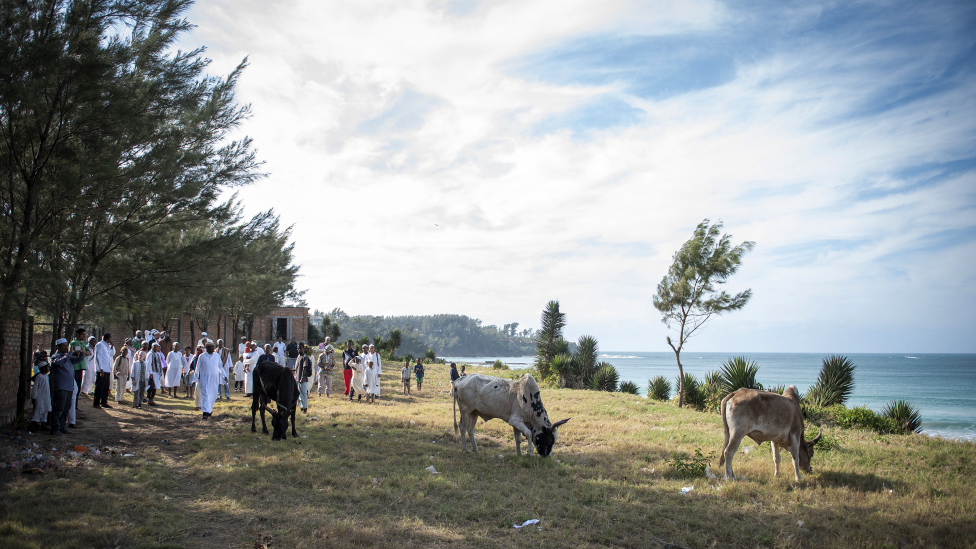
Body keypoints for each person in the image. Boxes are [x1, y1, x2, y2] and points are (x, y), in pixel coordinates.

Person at [50, 338, 84, 435]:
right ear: (58, 347)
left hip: (69, 387)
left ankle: (62, 427)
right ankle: (55, 428)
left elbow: (78, 360)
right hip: (61, 387)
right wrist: (69, 353)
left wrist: (81, 352)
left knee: (66, 408)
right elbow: (60, 363)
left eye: (66, 345)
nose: (66, 347)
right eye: (64, 346)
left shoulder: (68, 356)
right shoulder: (55, 357)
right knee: (58, 408)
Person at [68, 327, 92, 410]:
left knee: (78, 388)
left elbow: (89, 352)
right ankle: (71, 407)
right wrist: (81, 351)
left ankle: (76, 406)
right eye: (82, 334)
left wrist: (83, 352)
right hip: (75, 368)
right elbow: (74, 351)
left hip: (81, 368)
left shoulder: (82, 344)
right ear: (77, 334)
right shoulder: (73, 343)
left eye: (85, 335)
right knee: (73, 389)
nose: (84, 336)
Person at [196, 343, 222, 418]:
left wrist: (224, 375)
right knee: (205, 395)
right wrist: (195, 379)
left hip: (214, 379)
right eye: (211, 347)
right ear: (207, 348)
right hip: (204, 379)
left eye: (213, 347)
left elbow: (220, 367)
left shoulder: (216, 356)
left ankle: (209, 411)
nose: (213, 349)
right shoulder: (202, 356)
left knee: (212, 396)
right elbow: (197, 368)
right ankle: (205, 413)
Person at [93, 333, 114, 408]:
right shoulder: (100, 345)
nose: (111, 339)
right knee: (99, 386)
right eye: (111, 338)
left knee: (106, 386)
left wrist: (112, 346)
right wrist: (101, 368)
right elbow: (98, 357)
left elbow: (111, 354)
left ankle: (104, 401)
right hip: (101, 369)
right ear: (108, 338)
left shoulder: (107, 346)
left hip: (107, 369)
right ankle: (96, 403)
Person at [31, 360, 52, 431]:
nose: (48, 369)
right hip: (40, 397)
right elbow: (35, 388)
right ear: (43, 368)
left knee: (45, 410)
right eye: (47, 367)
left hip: (46, 396)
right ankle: (33, 424)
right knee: (39, 410)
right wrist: (34, 397)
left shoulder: (46, 376)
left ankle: (43, 424)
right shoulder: (39, 377)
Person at [131, 343, 149, 409]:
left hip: (143, 380)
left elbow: (146, 372)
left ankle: (139, 404)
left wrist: (147, 380)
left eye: (141, 355)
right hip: (137, 380)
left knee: (141, 393)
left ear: (144, 356)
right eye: (139, 355)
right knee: (136, 393)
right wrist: (133, 379)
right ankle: (135, 404)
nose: (140, 356)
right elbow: (132, 371)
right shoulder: (135, 363)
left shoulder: (145, 364)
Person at [296, 343, 312, 413]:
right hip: (297, 378)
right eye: (298, 348)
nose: (300, 349)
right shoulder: (298, 357)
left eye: (301, 348)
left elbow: (304, 367)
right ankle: (301, 408)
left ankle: (305, 409)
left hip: (303, 379)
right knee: (299, 395)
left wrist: (302, 377)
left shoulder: (304, 357)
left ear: (303, 349)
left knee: (304, 394)